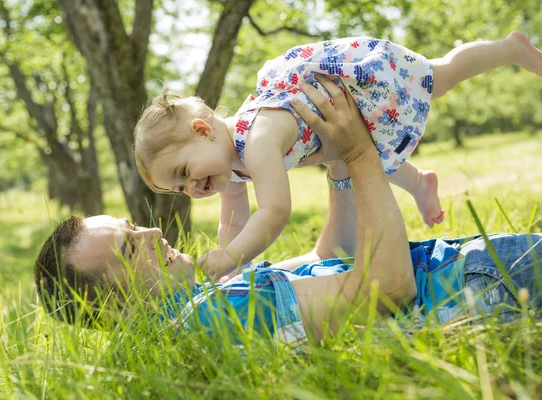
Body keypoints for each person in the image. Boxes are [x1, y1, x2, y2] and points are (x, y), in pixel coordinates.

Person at [35, 77, 542, 343]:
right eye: (129, 248)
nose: (149, 231)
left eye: (132, 225)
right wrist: (363, 152)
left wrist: (339, 163)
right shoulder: (211, 316)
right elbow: (388, 289)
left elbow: (334, 255)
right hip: (487, 285)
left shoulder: (207, 297)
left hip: (482, 268)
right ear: (112, 309)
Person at [134, 33, 542, 282]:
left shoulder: (257, 139)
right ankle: (419, 182)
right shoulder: (227, 169)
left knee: (438, 77)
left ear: (203, 131)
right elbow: (233, 221)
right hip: (344, 129)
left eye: (184, 172)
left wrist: (228, 256)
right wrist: (232, 266)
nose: (191, 188)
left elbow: (274, 212)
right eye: (180, 188)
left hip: (358, 84)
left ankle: (508, 49)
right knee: (362, 148)